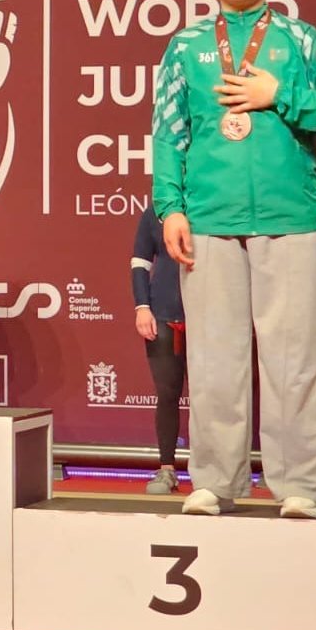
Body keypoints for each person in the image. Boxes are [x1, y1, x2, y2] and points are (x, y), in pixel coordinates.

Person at [152, 0, 316, 519]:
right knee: (214, 357)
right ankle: (215, 481)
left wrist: (280, 93)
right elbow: (168, 131)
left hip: (291, 216)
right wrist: (170, 206)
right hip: (209, 217)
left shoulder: (304, 41)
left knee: (296, 358)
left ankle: (300, 484)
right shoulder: (187, 45)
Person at [130, 205, 187, 495]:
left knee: (215, 397)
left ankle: (215, 473)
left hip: (210, 318)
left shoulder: (214, 206)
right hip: (163, 316)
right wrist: (142, 307)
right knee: (167, 395)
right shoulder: (156, 212)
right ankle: (167, 470)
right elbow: (140, 263)